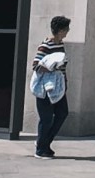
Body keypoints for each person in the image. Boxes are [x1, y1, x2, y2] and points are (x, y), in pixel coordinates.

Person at [30, 15, 71, 159]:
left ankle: (44, 143)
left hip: (59, 87)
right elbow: (35, 66)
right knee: (46, 118)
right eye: (66, 29)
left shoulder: (60, 44)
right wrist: (51, 67)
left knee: (62, 113)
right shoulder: (46, 45)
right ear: (60, 30)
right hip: (46, 88)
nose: (68, 31)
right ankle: (41, 150)